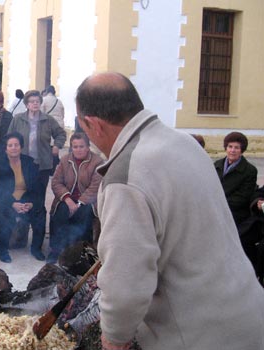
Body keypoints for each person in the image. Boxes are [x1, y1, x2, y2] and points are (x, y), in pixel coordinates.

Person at [75, 72, 264, 350]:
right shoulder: (184, 143)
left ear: (93, 124)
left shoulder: (125, 178)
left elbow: (126, 288)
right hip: (249, 313)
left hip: (197, 336)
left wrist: (114, 339)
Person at [7, 89, 66, 260]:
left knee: (38, 204)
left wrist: (57, 146)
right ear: (26, 104)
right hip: (21, 167)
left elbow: (61, 134)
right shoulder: (18, 119)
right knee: (21, 200)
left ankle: (36, 246)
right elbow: (9, 138)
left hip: (42, 167)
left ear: (41, 103)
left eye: (37, 101)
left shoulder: (48, 120)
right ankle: (19, 238)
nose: (34, 104)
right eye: (31, 101)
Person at [47, 133, 103, 264]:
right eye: (75, 147)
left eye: (81, 146)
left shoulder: (97, 162)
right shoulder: (65, 160)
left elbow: (96, 186)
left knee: (83, 217)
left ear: (88, 147)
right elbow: (56, 182)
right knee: (59, 213)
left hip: (87, 202)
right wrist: (67, 199)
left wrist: (80, 203)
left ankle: (79, 253)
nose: (78, 149)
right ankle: (56, 250)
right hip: (66, 199)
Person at [0, 132, 41, 263]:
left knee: (40, 213)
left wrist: (31, 203)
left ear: (21, 146)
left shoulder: (29, 163)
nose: (13, 148)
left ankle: (36, 248)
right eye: (10, 145)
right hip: (5, 201)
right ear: (5, 148)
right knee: (6, 217)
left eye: (16, 145)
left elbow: (37, 188)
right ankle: (3, 249)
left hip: (25, 199)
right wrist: (12, 203)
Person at [214, 131, 257, 227]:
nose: (232, 150)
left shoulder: (250, 170)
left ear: (242, 150)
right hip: (215, 208)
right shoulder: (217, 165)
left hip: (235, 213)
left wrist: (219, 204)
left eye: (236, 147)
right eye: (230, 146)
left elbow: (242, 197)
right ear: (226, 148)